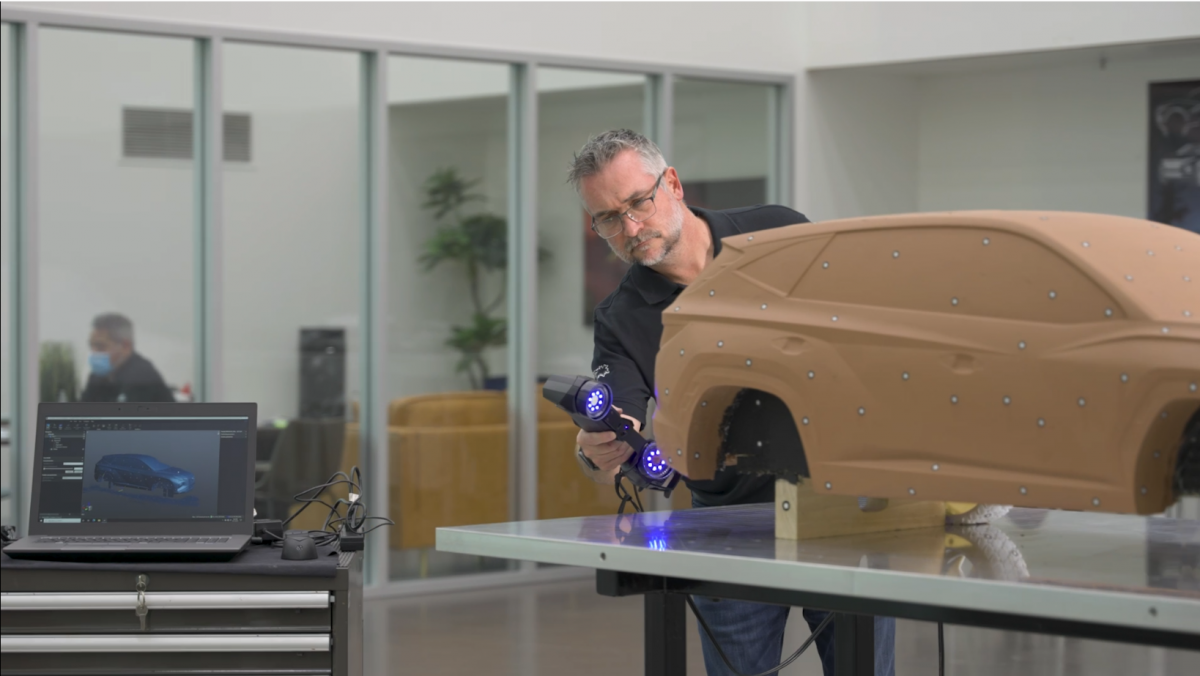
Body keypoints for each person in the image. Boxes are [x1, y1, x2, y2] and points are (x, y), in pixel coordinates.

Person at [567, 129, 895, 676]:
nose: (629, 228)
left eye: (638, 204)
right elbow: (618, 438)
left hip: (839, 510)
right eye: (607, 218)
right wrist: (592, 452)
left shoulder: (778, 231)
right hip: (728, 528)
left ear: (670, 183)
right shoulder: (621, 319)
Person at [80, 313, 175, 403]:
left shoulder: (142, 378)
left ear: (126, 346)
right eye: (91, 346)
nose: (93, 353)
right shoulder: (97, 376)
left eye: (100, 347)